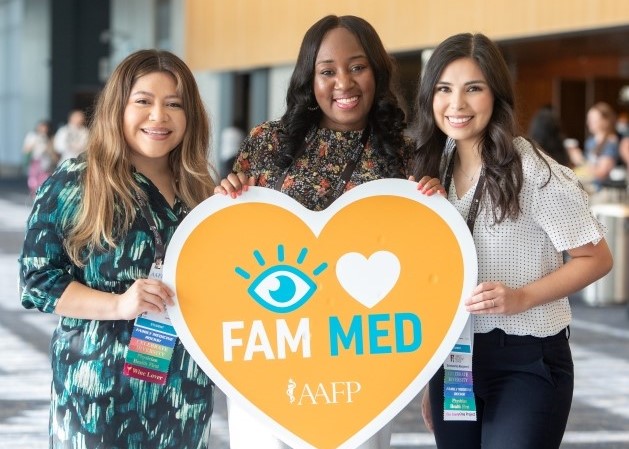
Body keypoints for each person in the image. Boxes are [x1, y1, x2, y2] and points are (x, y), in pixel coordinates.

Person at [215, 14, 443, 449]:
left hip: (362, 354)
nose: (344, 82)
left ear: (376, 71)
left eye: (357, 67)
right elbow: (238, 239)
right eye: (327, 71)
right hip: (272, 346)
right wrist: (228, 195)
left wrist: (433, 204)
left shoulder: (405, 154)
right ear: (309, 78)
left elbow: (423, 263)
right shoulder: (268, 142)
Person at [410, 33, 613, 449]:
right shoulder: (435, 166)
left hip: (527, 360)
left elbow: (595, 258)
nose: (457, 104)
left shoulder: (534, 171)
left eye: (473, 89)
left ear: (496, 94)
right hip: (455, 361)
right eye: (444, 89)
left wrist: (520, 298)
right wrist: (430, 374)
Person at [19, 49, 216, 449]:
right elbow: (38, 281)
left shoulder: (201, 189)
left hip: (184, 389)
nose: (159, 116)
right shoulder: (78, 181)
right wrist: (118, 306)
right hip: (98, 391)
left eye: (174, 104)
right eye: (143, 101)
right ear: (117, 108)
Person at [568, 102, 620, 189]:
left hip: (602, 190)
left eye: (593, 120)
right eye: (589, 119)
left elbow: (602, 173)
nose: (589, 123)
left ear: (606, 121)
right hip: (589, 187)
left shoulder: (611, 142)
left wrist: (580, 161)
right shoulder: (591, 141)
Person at [22, 119, 58, 196]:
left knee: (45, 180)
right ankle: (35, 195)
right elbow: (26, 149)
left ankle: (42, 195)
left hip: (46, 162)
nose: (43, 129)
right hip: (35, 160)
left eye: (45, 127)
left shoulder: (50, 137)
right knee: (33, 180)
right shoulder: (32, 136)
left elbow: (53, 151)